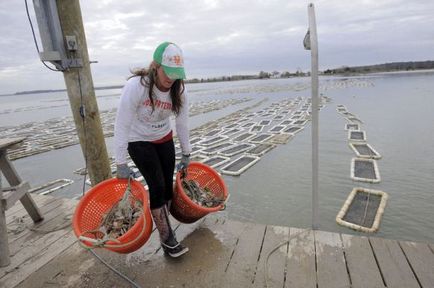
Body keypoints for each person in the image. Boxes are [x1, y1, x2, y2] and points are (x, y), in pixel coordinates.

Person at [114, 42, 191, 258]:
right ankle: (167, 239)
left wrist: (187, 153)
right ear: (156, 66)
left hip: (164, 137)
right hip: (138, 140)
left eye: (176, 74)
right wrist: (120, 162)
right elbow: (122, 124)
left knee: (167, 188)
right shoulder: (136, 86)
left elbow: (182, 123)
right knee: (156, 185)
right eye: (167, 72)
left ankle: (162, 221)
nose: (171, 78)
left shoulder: (180, 91)